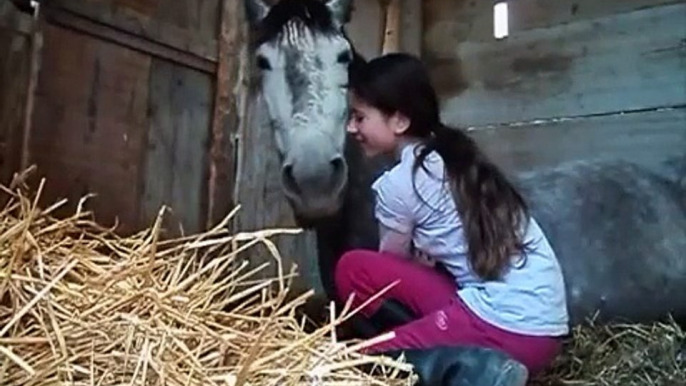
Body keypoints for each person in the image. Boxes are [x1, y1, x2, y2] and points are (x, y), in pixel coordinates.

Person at [335, 53, 570, 384]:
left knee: (359, 362)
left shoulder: (399, 184)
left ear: (399, 121)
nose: (351, 128)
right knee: (354, 267)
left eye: (359, 117)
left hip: (506, 328)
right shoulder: (452, 155)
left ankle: (478, 371)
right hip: (545, 329)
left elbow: (390, 266)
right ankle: (451, 346)